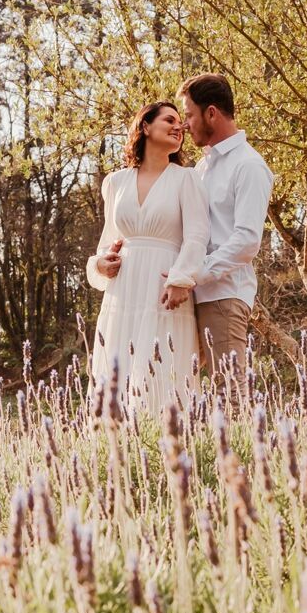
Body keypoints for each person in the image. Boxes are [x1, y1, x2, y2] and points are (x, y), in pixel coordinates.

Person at [86, 100, 208, 414]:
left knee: (163, 372)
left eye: (180, 122)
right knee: (118, 372)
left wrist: (182, 279)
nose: (178, 127)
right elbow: (107, 242)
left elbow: (197, 236)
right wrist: (100, 264)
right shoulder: (115, 183)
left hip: (164, 289)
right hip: (123, 291)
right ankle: (118, 451)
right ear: (145, 126)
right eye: (169, 120)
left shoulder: (186, 179)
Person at [177, 73, 274, 383]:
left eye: (189, 114)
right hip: (192, 296)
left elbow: (247, 240)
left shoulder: (249, 166)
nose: (185, 124)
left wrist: (195, 273)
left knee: (229, 394)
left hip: (223, 296)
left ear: (211, 113)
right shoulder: (202, 167)